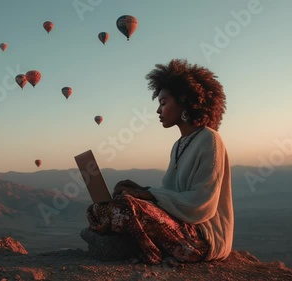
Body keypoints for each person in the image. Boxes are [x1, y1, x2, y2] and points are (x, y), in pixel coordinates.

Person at [82, 59, 233, 265]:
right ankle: (126, 241)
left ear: (184, 100)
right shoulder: (178, 145)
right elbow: (171, 198)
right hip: (177, 227)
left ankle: (147, 253)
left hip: (200, 239)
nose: (158, 111)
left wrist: (147, 195)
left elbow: (201, 204)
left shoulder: (210, 139)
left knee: (125, 209)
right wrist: (139, 189)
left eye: (163, 103)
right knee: (98, 208)